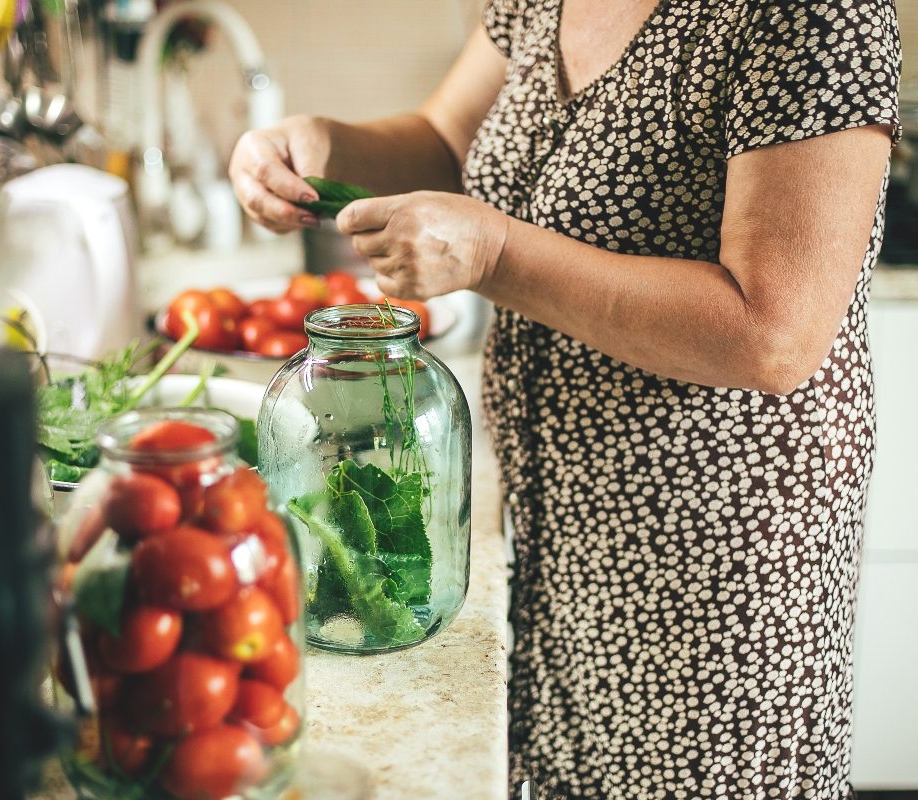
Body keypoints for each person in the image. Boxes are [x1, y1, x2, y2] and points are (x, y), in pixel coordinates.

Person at [229, 1, 901, 796]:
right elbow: (447, 142)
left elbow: (773, 332)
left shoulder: (814, 14)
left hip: (715, 567)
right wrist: (319, 147)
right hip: (561, 532)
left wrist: (496, 251)